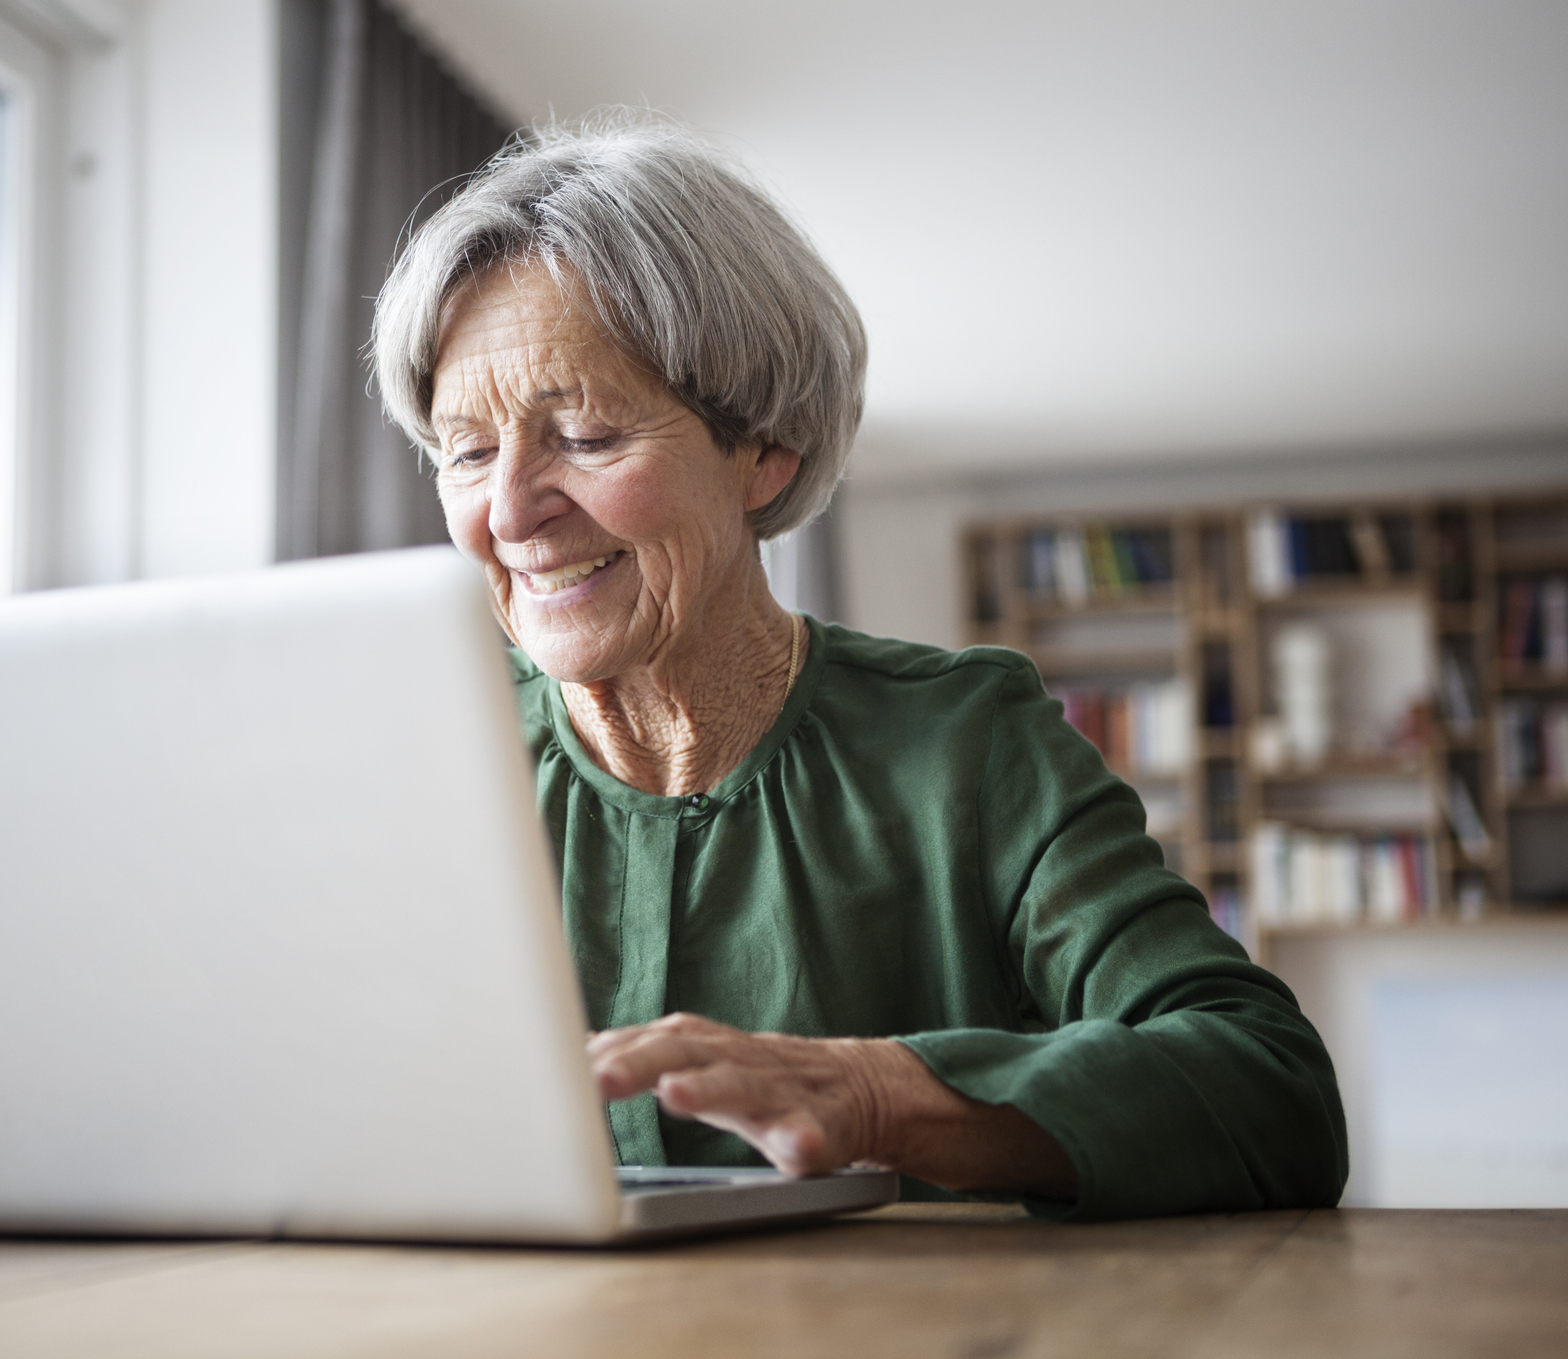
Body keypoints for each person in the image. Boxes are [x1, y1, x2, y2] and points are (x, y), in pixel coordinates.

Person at [370, 118, 1347, 1220]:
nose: (508, 511)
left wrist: (882, 1097)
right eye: (467, 450)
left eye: (586, 436)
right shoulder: (422, 768)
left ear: (765, 449)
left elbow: (1271, 1090)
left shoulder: (970, 745)